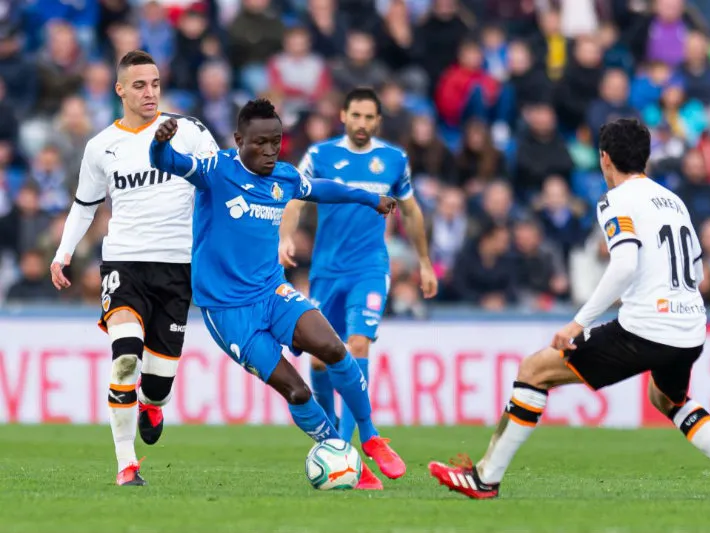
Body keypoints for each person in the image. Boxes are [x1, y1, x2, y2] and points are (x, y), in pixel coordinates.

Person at [427, 118, 710, 501]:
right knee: (667, 398)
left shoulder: (615, 200)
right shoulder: (673, 200)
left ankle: (485, 479)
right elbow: (697, 271)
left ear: (605, 158)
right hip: (690, 328)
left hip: (647, 328)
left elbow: (623, 265)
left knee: (534, 371)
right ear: (645, 158)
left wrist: (578, 323)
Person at [149, 98, 405, 491]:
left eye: (276, 142)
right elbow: (169, 162)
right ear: (239, 140)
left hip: (273, 292)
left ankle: (370, 437)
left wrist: (371, 199)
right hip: (229, 311)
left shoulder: (284, 177)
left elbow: (323, 189)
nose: (270, 151)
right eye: (260, 143)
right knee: (297, 390)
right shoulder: (216, 171)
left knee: (334, 348)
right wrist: (160, 144)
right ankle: (341, 454)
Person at [49, 50, 219, 486]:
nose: (150, 92)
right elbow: (84, 206)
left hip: (177, 268)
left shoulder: (190, 132)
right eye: (140, 85)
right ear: (120, 90)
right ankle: (126, 464)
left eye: (155, 84)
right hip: (124, 263)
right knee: (125, 359)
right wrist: (63, 253)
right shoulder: (101, 146)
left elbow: (220, 184)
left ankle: (152, 404)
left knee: (158, 382)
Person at [279, 87, 437, 450]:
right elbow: (295, 200)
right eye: (356, 116)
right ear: (343, 116)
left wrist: (425, 262)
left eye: (369, 117)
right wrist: (285, 238)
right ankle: (331, 432)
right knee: (321, 361)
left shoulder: (394, 159)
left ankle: (346, 447)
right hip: (326, 271)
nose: (362, 123)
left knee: (358, 345)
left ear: (377, 121)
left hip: (369, 268)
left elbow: (411, 211)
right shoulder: (320, 155)